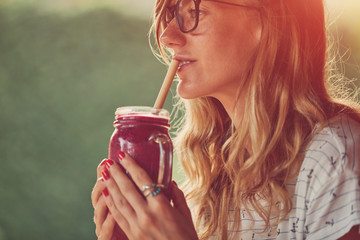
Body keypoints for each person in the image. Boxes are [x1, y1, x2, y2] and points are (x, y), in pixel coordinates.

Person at [91, 0, 360, 239]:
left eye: (195, 11)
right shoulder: (210, 178)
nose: (167, 36)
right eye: (171, 12)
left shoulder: (336, 156)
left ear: (269, 20)